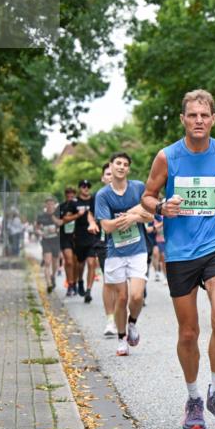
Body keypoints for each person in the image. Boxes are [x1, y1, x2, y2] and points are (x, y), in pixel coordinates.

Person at [141, 89, 215, 429]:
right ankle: (194, 399)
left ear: (213, 119)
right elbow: (147, 196)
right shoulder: (167, 157)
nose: (199, 120)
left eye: (205, 115)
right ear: (183, 119)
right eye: (193, 115)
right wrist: (159, 207)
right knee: (188, 333)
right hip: (181, 252)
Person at [94, 152, 152, 357]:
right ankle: (121, 338)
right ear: (111, 165)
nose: (121, 167)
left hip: (138, 249)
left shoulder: (138, 188)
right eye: (118, 163)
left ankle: (132, 324)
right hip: (115, 252)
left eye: (125, 164)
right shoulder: (103, 195)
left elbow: (150, 215)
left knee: (136, 296)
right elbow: (107, 227)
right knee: (121, 297)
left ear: (128, 169)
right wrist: (124, 219)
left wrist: (134, 217)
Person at [66, 180, 100, 303]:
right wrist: (77, 215)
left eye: (88, 186)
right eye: (83, 186)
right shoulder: (74, 202)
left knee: (92, 263)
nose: (86, 188)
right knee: (80, 265)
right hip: (79, 237)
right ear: (79, 188)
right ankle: (80, 280)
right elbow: (66, 218)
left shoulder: (94, 200)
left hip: (92, 236)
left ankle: (89, 291)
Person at [96, 163, 119, 337]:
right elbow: (89, 214)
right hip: (105, 244)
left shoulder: (126, 194)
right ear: (103, 178)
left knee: (123, 287)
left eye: (112, 174)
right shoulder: (99, 197)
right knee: (109, 282)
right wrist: (90, 222)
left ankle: (121, 319)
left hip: (126, 245)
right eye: (107, 174)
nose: (110, 176)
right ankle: (110, 320)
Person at [35, 197, 62, 293]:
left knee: (55, 263)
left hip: (56, 240)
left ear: (54, 205)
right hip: (46, 241)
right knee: (47, 262)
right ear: (45, 205)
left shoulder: (58, 215)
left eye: (52, 204)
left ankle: (53, 276)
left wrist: (56, 230)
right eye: (48, 204)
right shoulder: (41, 216)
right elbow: (37, 228)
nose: (50, 206)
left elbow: (63, 226)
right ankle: (49, 284)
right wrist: (40, 232)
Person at [58, 187, 79, 297]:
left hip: (77, 237)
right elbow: (58, 221)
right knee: (69, 261)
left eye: (72, 196)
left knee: (75, 262)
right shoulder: (61, 207)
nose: (70, 198)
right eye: (68, 196)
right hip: (65, 237)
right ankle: (70, 284)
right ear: (65, 196)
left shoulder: (78, 206)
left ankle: (74, 283)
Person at [150, 214, 166, 282]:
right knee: (155, 254)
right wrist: (158, 226)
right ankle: (157, 272)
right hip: (156, 240)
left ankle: (165, 276)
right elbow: (151, 230)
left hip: (165, 240)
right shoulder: (155, 216)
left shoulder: (167, 215)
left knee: (163, 258)